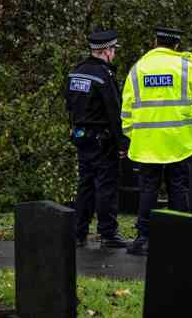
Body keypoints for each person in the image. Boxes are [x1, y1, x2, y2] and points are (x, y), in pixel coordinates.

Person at [121, 27, 192, 256]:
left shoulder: (138, 68)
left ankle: (143, 238)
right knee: (178, 188)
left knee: (148, 190)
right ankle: (179, 236)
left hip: (147, 143)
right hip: (179, 142)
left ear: (155, 42)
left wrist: (133, 135)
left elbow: (126, 107)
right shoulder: (186, 67)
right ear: (176, 45)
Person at [64, 30, 129, 248]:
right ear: (105, 51)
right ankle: (108, 233)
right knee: (105, 186)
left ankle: (78, 232)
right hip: (102, 140)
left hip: (81, 136)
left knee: (85, 185)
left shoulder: (76, 72)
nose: (114, 54)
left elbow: (69, 105)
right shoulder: (103, 76)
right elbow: (114, 111)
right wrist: (122, 144)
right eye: (113, 50)